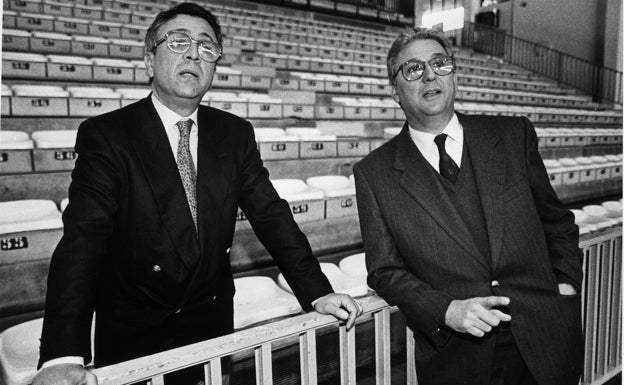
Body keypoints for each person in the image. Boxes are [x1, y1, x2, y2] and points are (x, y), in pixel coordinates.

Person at [33, 3, 362, 384]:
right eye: (178, 41)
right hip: (135, 335)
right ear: (148, 60)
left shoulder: (235, 134)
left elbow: (272, 217)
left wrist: (317, 292)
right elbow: (82, 241)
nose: (194, 52)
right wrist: (61, 353)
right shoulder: (108, 135)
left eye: (207, 47)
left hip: (211, 328)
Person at [353, 28, 583, 385]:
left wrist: (565, 287)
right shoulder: (374, 173)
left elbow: (557, 222)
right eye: (412, 69)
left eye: (439, 63)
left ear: (455, 75)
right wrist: (445, 310)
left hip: (545, 338)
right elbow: (384, 270)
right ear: (394, 91)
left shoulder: (513, 135)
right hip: (459, 357)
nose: (429, 75)